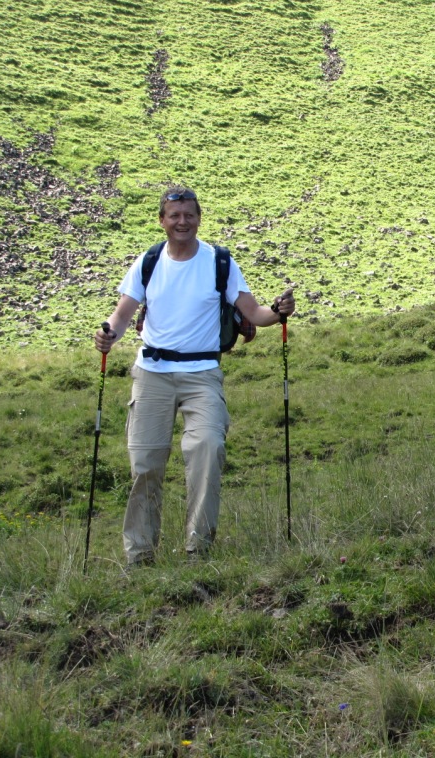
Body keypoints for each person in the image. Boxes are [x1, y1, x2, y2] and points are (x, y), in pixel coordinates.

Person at [94, 186, 296, 566]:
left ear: (199, 218)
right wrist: (107, 334)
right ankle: (139, 558)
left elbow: (254, 313)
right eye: (174, 216)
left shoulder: (219, 261)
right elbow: (122, 315)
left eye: (189, 215)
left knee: (208, 449)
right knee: (145, 466)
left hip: (203, 373)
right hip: (151, 373)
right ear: (162, 221)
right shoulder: (148, 261)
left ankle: (198, 551)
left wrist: (279, 311)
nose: (182, 222)